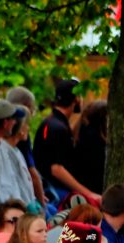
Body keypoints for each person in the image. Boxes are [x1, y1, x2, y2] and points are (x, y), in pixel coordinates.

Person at [33, 78, 101, 207]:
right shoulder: (57, 127)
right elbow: (56, 169)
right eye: (80, 96)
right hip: (55, 192)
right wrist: (88, 194)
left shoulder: (53, 122)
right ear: (76, 99)